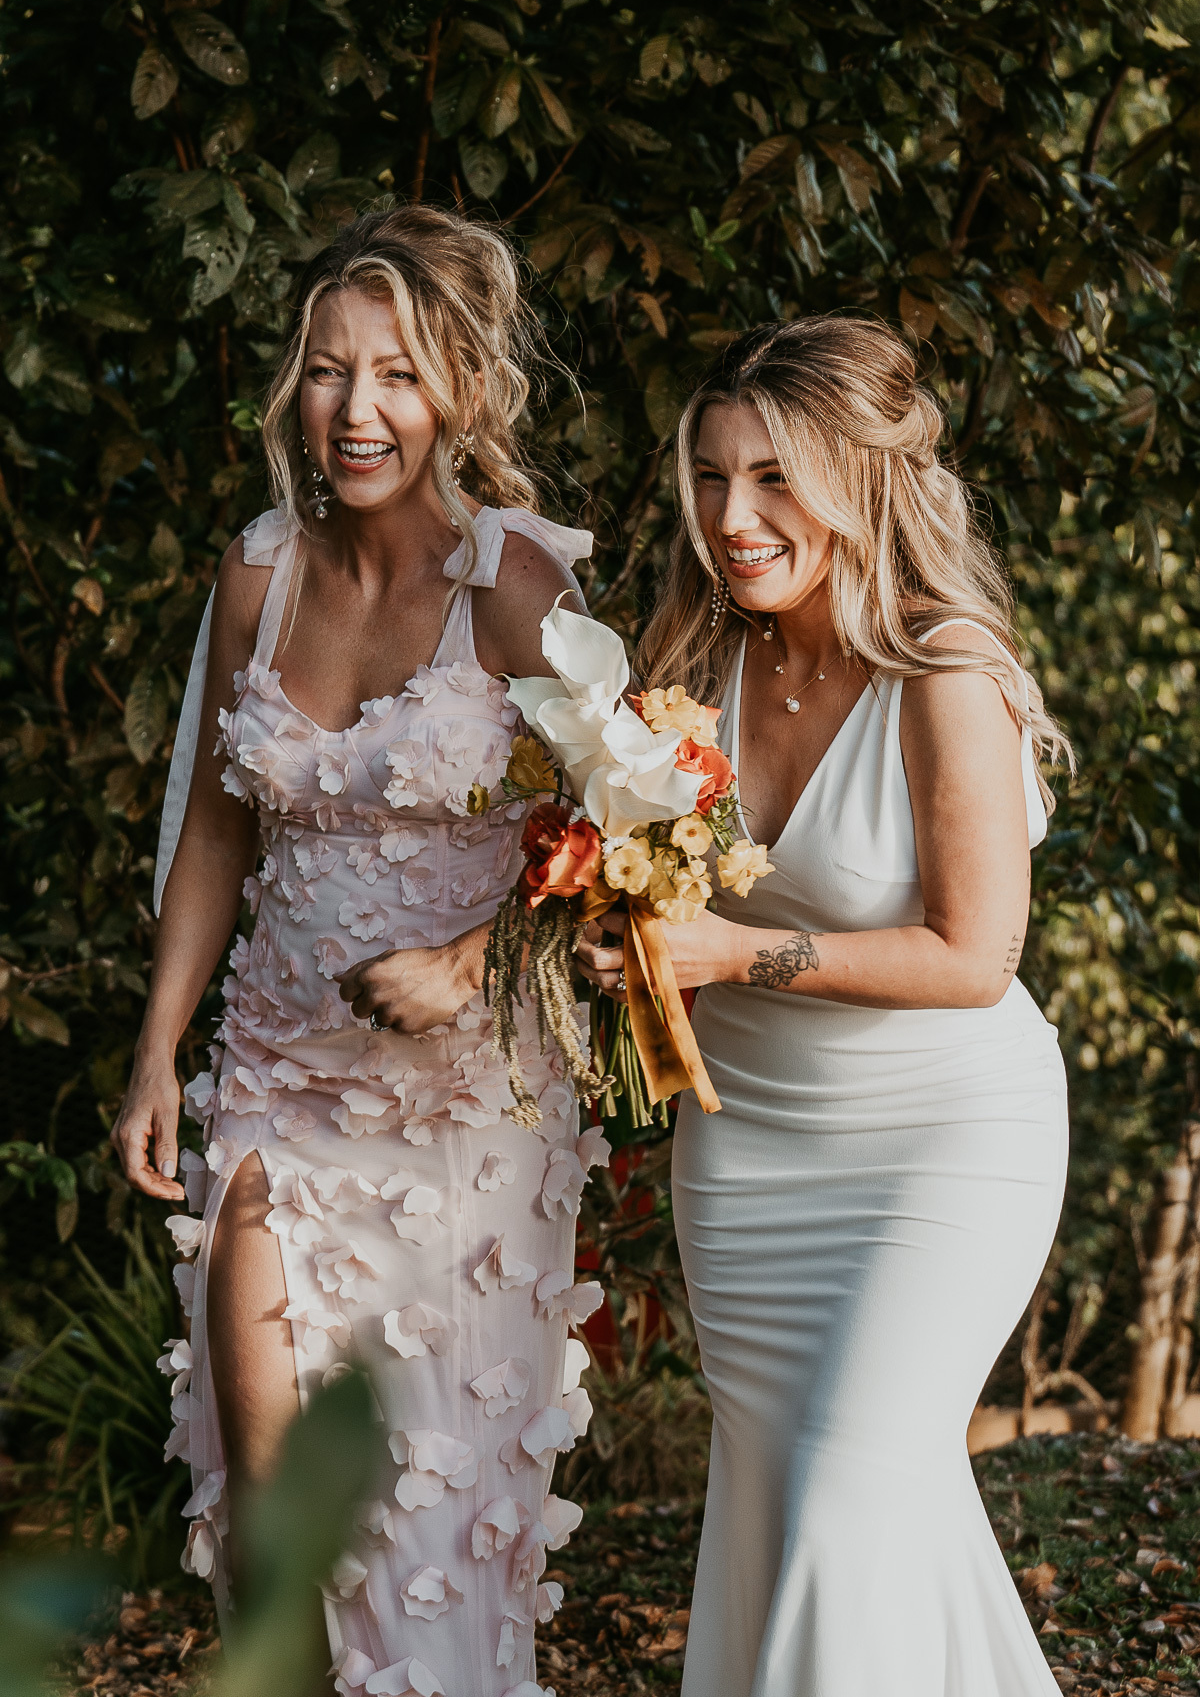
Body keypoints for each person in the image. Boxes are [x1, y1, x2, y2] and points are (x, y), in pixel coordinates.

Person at [112, 204, 604, 1697]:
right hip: (274, 1086)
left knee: (427, 1508)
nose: (356, 411)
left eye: (395, 374)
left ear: (458, 384)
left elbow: (634, 853)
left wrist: (469, 955)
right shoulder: (257, 577)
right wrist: (156, 1051)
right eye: (329, 372)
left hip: (469, 1117)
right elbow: (213, 832)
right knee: (267, 1501)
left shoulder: (519, 589)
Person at [577, 317, 1072, 1696]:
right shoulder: (690, 662)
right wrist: (621, 942)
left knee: (852, 1489)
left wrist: (728, 955)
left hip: (940, 1144)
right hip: (749, 1154)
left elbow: (975, 955)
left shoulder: (943, 672)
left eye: (778, 479)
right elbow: (650, 896)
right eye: (716, 477)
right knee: (808, 1508)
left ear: (866, 481)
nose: (735, 518)